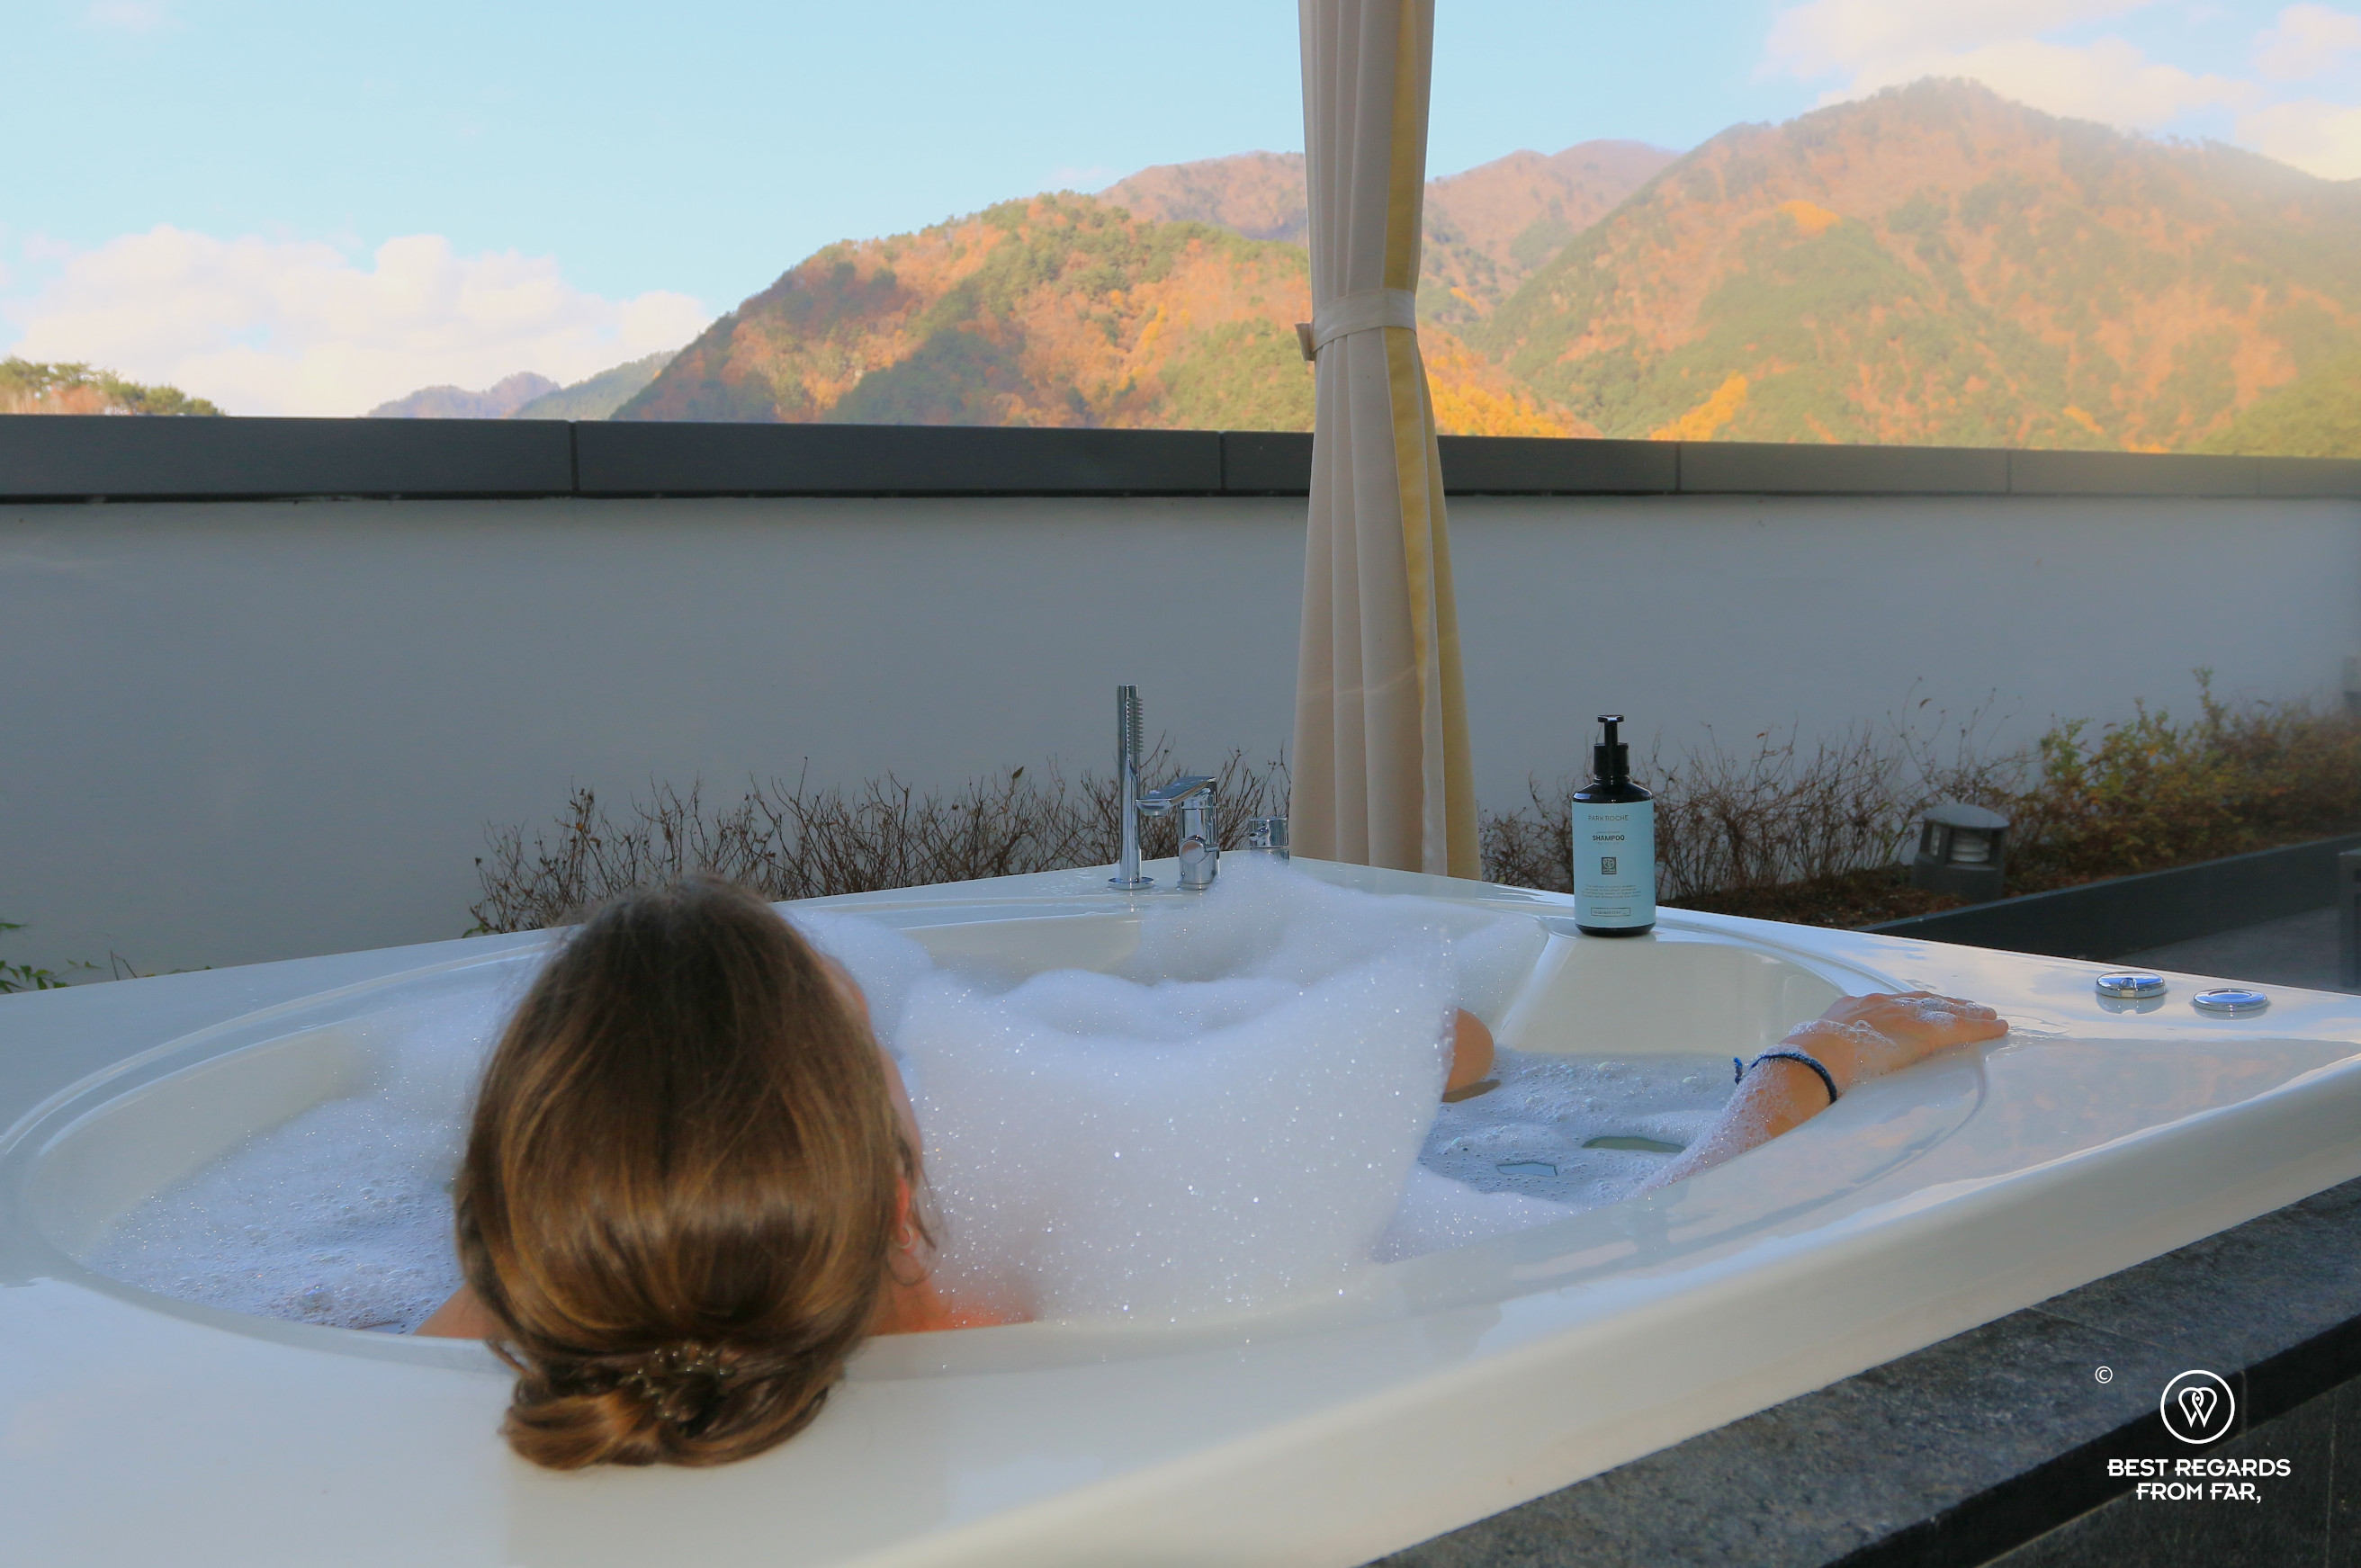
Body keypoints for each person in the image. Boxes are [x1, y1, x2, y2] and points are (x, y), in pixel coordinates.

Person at [417, 876, 2002, 1468]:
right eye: (877, 1046)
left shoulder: (532, 1305)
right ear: (898, 1181)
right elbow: (1654, 1247)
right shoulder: (1107, 1293)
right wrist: (1804, 1069)